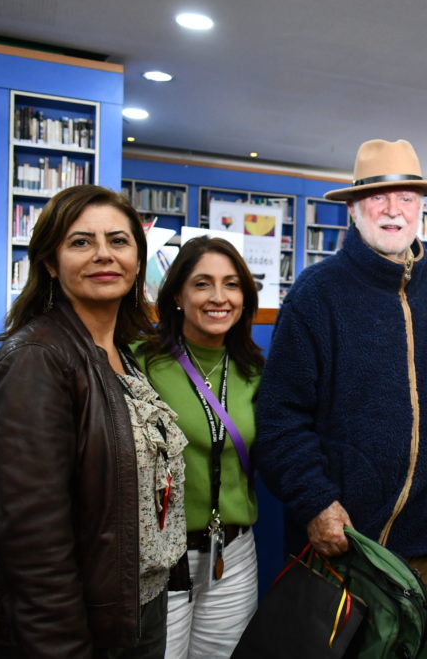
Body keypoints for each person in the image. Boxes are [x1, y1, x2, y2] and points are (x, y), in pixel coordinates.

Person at [252, 139, 427, 659]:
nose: (394, 209)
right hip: (350, 545)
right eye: (379, 197)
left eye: (407, 198)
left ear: (422, 208)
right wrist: (315, 502)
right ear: (353, 208)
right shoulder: (316, 293)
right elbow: (279, 418)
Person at [0, 184, 186, 657]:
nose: (104, 254)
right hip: (74, 625)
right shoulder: (38, 359)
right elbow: (33, 544)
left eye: (118, 241)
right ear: (50, 263)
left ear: (137, 260)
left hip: (135, 608)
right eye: (81, 242)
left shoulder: (120, 354)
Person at [135, 236, 263, 658]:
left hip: (233, 554)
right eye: (203, 283)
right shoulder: (140, 362)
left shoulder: (254, 371)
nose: (219, 297)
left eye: (232, 284)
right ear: (177, 295)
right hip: (160, 559)